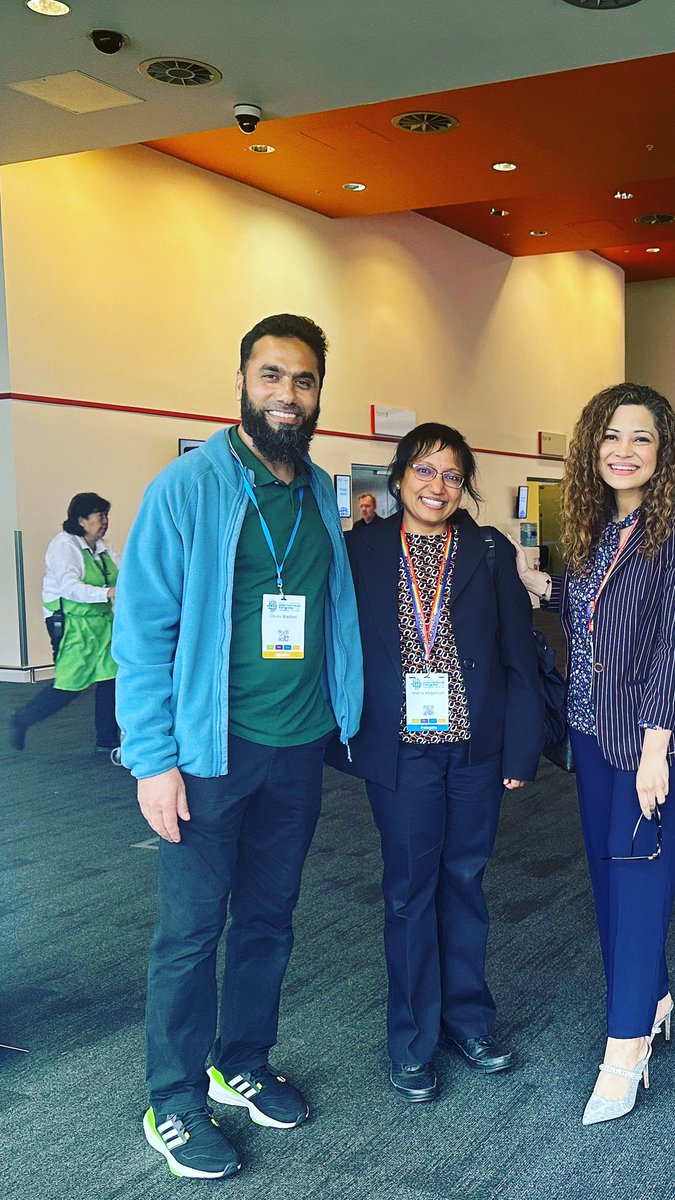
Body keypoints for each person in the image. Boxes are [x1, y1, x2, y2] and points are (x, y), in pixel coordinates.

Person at [113, 314, 363, 1181]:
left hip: (295, 750)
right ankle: (173, 1099)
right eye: (270, 376)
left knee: (268, 920)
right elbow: (143, 630)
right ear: (242, 382)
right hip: (207, 753)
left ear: (319, 392)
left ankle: (240, 1061)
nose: (286, 395)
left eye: (302, 381)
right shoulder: (188, 486)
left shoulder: (322, 487)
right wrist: (151, 758)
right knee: (188, 933)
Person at [511, 383, 675, 1125]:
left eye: (641, 438)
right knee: (607, 883)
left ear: (665, 453)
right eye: (611, 436)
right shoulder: (601, 526)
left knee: (637, 887)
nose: (623, 451)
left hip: (652, 744)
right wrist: (547, 589)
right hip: (594, 735)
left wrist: (656, 747)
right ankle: (652, 995)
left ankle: (625, 1047)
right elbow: (598, 616)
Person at [326, 422, 542, 1103]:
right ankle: (412, 1041)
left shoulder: (485, 548)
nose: (437, 486)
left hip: (475, 751)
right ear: (397, 479)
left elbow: (518, 650)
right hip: (402, 753)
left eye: (451, 475)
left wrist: (520, 746)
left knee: (466, 883)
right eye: (424, 471)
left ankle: (467, 1022)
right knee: (409, 892)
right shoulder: (358, 550)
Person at [9, 492, 120, 757]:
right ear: (81, 520)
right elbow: (70, 588)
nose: (104, 521)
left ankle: (107, 740)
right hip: (71, 623)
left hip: (102, 623)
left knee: (110, 679)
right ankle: (23, 719)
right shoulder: (64, 546)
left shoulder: (103, 548)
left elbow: (125, 572)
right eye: (99, 515)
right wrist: (108, 593)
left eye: (106, 515)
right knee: (70, 685)